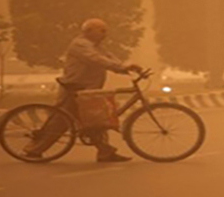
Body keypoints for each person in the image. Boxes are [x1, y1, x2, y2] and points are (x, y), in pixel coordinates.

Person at [23, 18, 142, 163]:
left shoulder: (97, 46)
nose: (105, 34)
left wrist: (126, 68)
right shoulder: (80, 45)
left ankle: (105, 152)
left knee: (97, 121)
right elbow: (96, 59)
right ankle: (34, 150)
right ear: (89, 31)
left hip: (88, 90)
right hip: (75, 87)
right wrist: (122, 68)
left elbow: (109, 58)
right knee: (60, 121)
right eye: (102, 30)